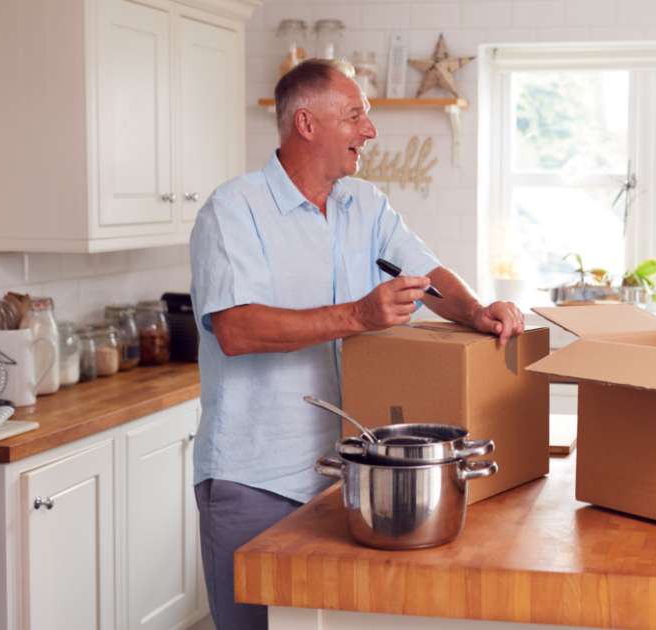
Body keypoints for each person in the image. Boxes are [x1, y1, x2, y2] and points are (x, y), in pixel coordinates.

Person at [188, 58, 525, 629]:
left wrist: (475, 311)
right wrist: (359, 315)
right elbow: (237, 329)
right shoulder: (232, 211)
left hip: (344, 479)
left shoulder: (363, 205)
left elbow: (427, 276)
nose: (369, 131)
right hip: (254, 479)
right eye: (354, 116)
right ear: (306, 124)